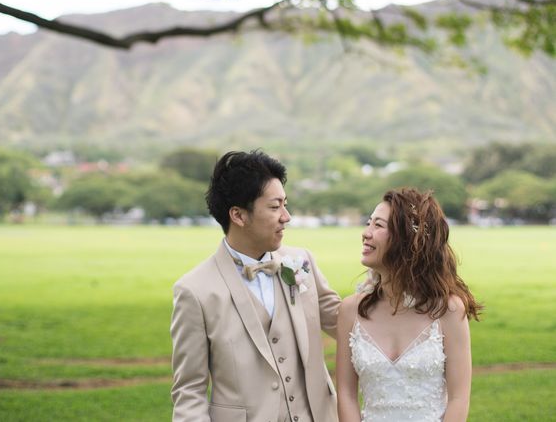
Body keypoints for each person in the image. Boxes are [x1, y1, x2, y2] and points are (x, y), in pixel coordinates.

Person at [171, 150, 341, 422]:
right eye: (275, 207)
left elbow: (350, 324)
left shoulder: (302, 262)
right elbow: (189, 391)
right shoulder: (194, 291)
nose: (286, 216)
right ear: (238, 215)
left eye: (285, 204)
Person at [336, 188, 482, 422]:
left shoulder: (449, 310)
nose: (366, 233)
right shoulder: (349, 310)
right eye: (368, 223)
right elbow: (346, 394)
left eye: (378, 225)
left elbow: (459, 398)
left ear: (406, 238)